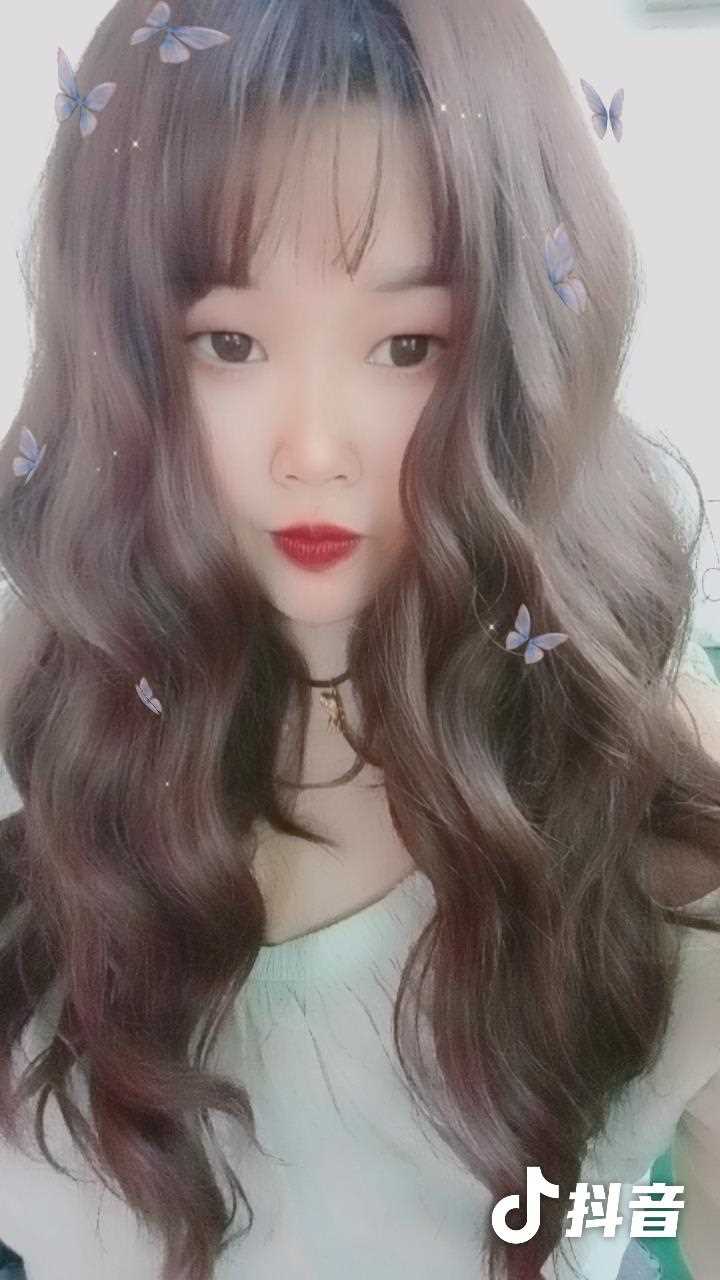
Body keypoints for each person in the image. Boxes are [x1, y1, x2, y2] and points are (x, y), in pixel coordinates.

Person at [0, 2, 719, 1277]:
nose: (314, 449)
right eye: (229, 343)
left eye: (408, 345)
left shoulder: (641, 776)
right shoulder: (36, 716)